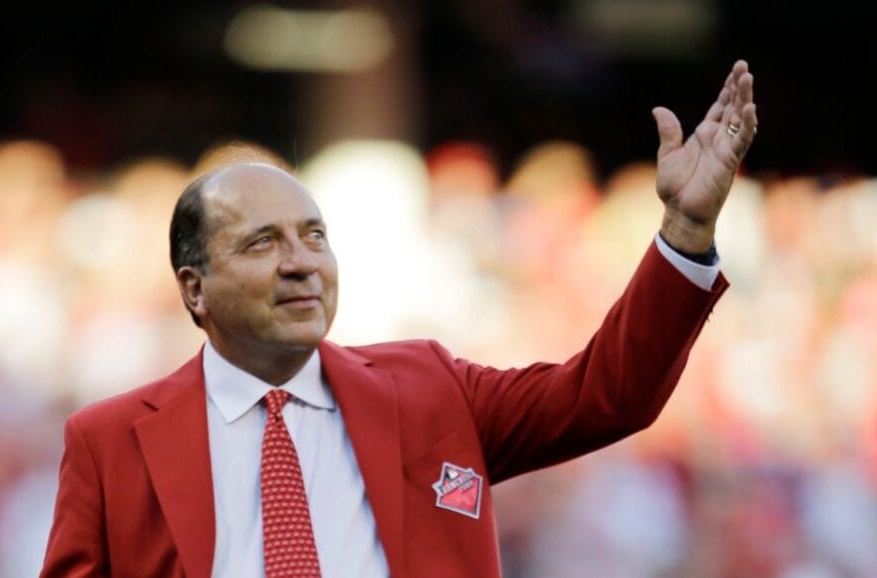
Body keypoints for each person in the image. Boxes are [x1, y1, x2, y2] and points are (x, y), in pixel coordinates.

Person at [40, 60, 758, 578]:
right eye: (263, 243)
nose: (302, 263)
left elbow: (610, 394)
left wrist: (685, 230)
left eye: (315, 236)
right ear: (195, 289)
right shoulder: (108, 443)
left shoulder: (430, 386)